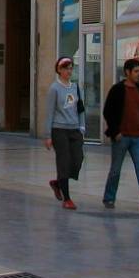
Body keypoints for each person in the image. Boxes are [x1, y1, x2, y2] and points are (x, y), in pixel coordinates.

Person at [102, 58, 139, 212]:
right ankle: (109, 198)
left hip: (137, 138)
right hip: (122, 137)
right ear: (127, 72)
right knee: (115, 170)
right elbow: (108, 112)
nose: (138, 74)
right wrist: (115, 132)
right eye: (135, 71)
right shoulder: (117, 90)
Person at [44, 57, 85, 210]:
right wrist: (47, 135)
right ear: (59, 70)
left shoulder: (76, 87)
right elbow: (49, 113)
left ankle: (57, 182)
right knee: (63, 161)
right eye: (66, 68)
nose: (69, 71)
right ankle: (67, 198)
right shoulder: (54, 89)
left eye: (70, 68)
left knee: (78, 159)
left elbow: (80, 108)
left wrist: (82, 126)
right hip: (59, 129)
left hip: (74, 129)